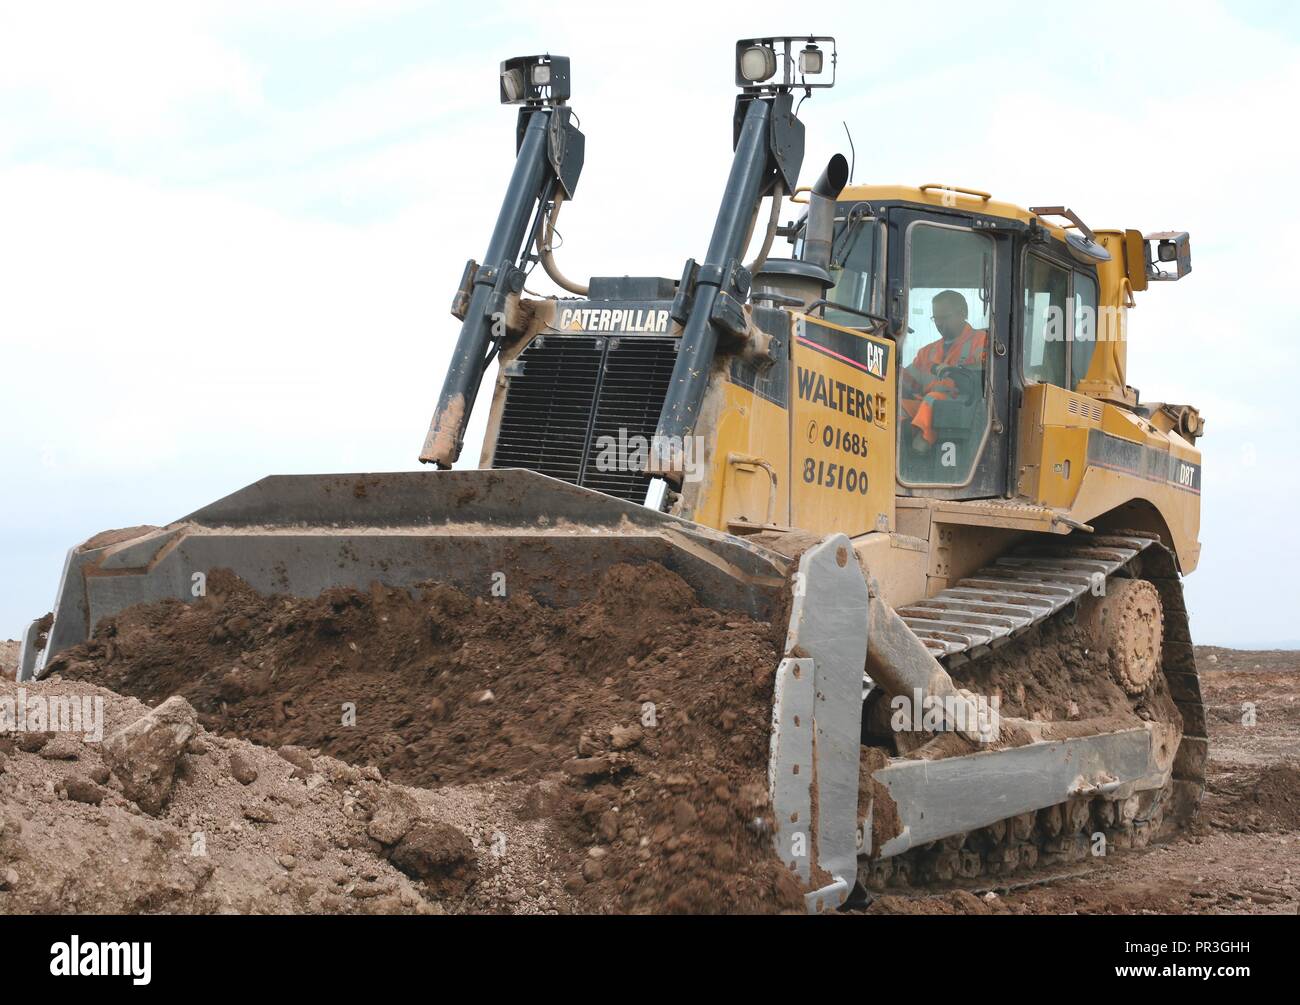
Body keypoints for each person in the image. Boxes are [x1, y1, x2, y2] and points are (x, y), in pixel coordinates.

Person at [900, 290, 988, 451]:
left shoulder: (982, 341)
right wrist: (892, 372)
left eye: (944, 318)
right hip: (926, 407)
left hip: (962, 407)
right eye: (936, 318)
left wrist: (954, 372)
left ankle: (922, 444)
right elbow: (909, 381)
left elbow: (984, 380)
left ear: (962, 314)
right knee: (896, 405)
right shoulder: (927, 352)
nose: (939, 323)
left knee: (933, 400)